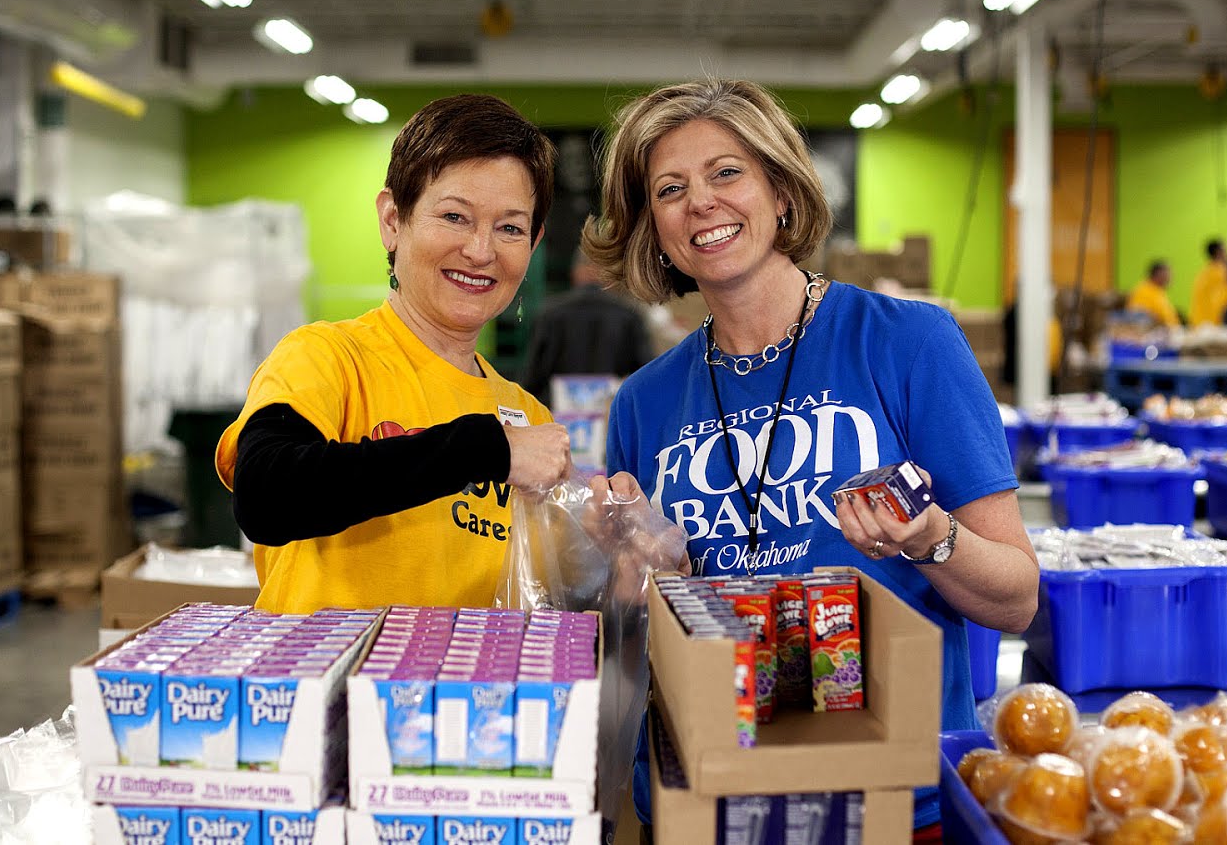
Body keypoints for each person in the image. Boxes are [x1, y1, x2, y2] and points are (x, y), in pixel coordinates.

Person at [581, 78, 1039, 838]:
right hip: (715, 800)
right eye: (670, 189)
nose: (701, 202)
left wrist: (928, 537)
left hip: (890, 798)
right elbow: (644, 635)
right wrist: (636, 576)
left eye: (727, 172)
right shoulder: (643, 402)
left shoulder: (908, 343)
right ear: (653, 229)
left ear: (783, 194)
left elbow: (1017, 598)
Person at [214, 94, 576, 614]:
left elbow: (544, 591)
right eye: (454, 216)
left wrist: (614, 550)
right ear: (392, 220)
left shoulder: (526, 416)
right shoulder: (326, 358)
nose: (481, 250)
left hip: (466, 672)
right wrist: (486, 452)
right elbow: (266, 496)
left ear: (533, 244)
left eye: (510, 228)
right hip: (328, 667)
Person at [521, 250, 654, 410]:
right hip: (610, 411)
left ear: (576, 271)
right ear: (606, 274)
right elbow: (645, 372)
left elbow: (535, 374)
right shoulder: (628, 315)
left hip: (558, 413)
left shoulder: (551, 314)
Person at [1189, 239, 1227, 327]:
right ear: (1219, 252)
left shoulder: (1204, 272)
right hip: (1212, 324)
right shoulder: (1222, 273)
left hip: (1199, 323)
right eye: (1226, 250)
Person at [1124, 259, 1181, 329]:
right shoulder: (1143, 290)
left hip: (1172, 331)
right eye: (1166, 274)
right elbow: (1137, 316)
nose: (1170, 278)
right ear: (1157, 275)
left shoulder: (1159, 291)